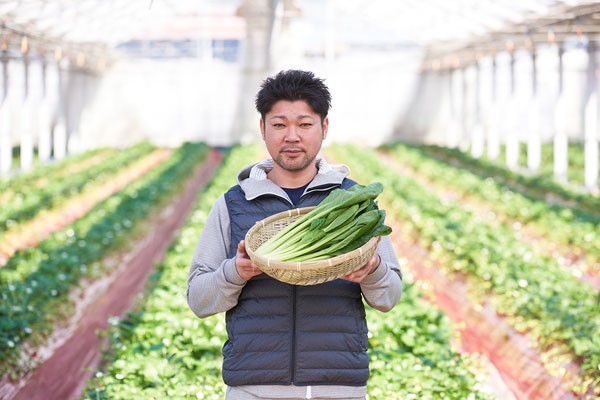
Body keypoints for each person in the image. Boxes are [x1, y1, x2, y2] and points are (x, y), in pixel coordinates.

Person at [187, 69, 402, 400]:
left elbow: (389, 297)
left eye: (304, 124)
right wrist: (235, 272)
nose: (291, 136)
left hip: (338, 387)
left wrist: (371, 272)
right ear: (262, 128)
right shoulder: (233, 204)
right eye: (278, 125)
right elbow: (199, 300)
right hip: (253, 388)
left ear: (324, 127)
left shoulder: (356, 204)